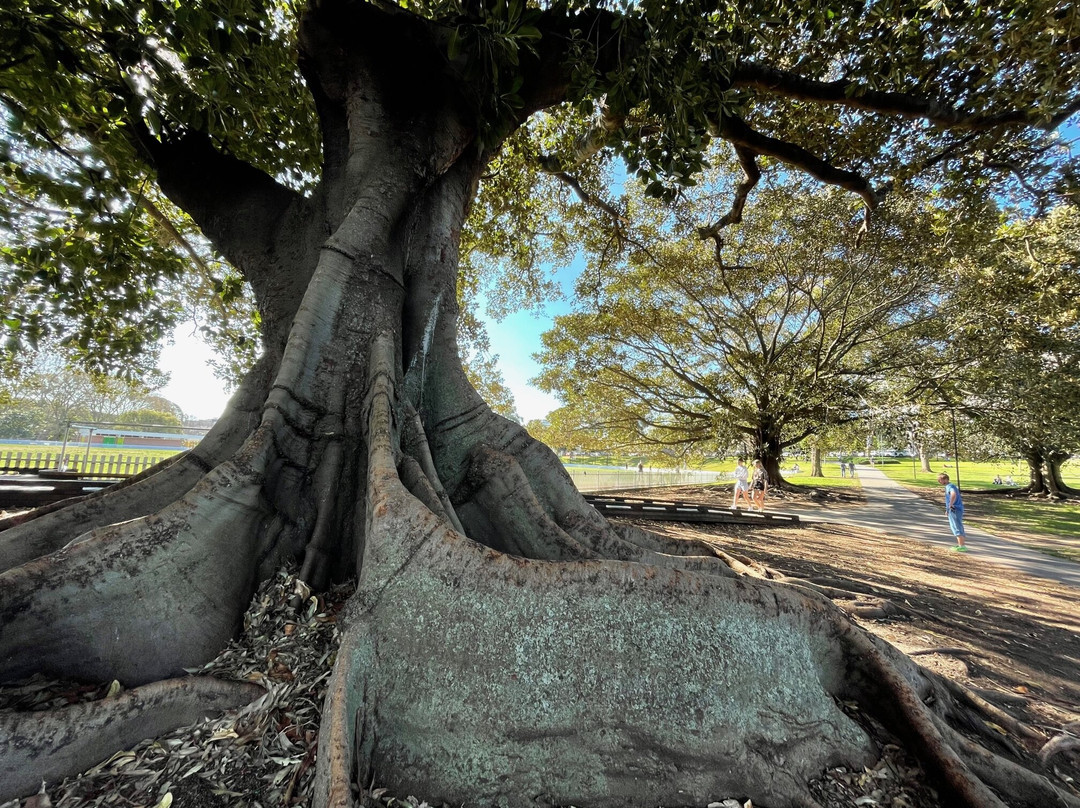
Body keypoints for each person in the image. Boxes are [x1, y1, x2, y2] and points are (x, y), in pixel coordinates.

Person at [938, 472, 967, 552]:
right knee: (956, 526)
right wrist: (947, 510)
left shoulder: (950, 486)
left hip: (955, 509)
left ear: (946, 479)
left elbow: (953, 494)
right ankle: (960, 544)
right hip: (954, 509)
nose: (939, 482)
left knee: (956, 526)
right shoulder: (949, 486)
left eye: (940, 480)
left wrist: (950, 505)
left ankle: (962, 546)